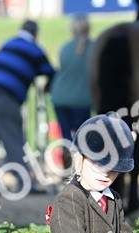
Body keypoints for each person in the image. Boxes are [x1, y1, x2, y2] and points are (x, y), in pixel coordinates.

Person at [0, 20, 55, 195]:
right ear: (35, 34)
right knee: (14, 140)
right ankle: (24, 183)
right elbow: (50, 72)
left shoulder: (9, 42)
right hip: (4, 95)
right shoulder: (35, 49)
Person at [51, 15, 93, 149]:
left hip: (60, 97)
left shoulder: (65, 48)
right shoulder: (94, 47)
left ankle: (67, 163)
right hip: (82, 99)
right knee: (83, 138)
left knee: (66, 137)